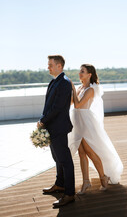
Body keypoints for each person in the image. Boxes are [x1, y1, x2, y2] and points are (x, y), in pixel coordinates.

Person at [68, 64, 123, 194]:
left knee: (90, 152)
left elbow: (79, 104)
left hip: (86, 122)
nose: (79, 73)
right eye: (80, 71)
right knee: (81, 153)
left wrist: (72, 88)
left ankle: (103, 177)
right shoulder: (80, 87)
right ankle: (86, 182)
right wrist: (71, 91)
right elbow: (71, 103)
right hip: (77, 121)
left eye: (82, 71)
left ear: (89, 74)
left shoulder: (91, 90)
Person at [37, 55, 75, 207]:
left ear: (59, 66)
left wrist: (43, 121)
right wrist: (42, 119)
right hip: (52, 127)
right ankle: (60, 185)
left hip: (59, 127)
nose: (48, 67)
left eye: (50, 65)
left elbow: (57, 107)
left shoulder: (64, 83)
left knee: (65, 161)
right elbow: (48, 106)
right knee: (57, 159)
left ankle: (70, 193)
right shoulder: (54, 82)